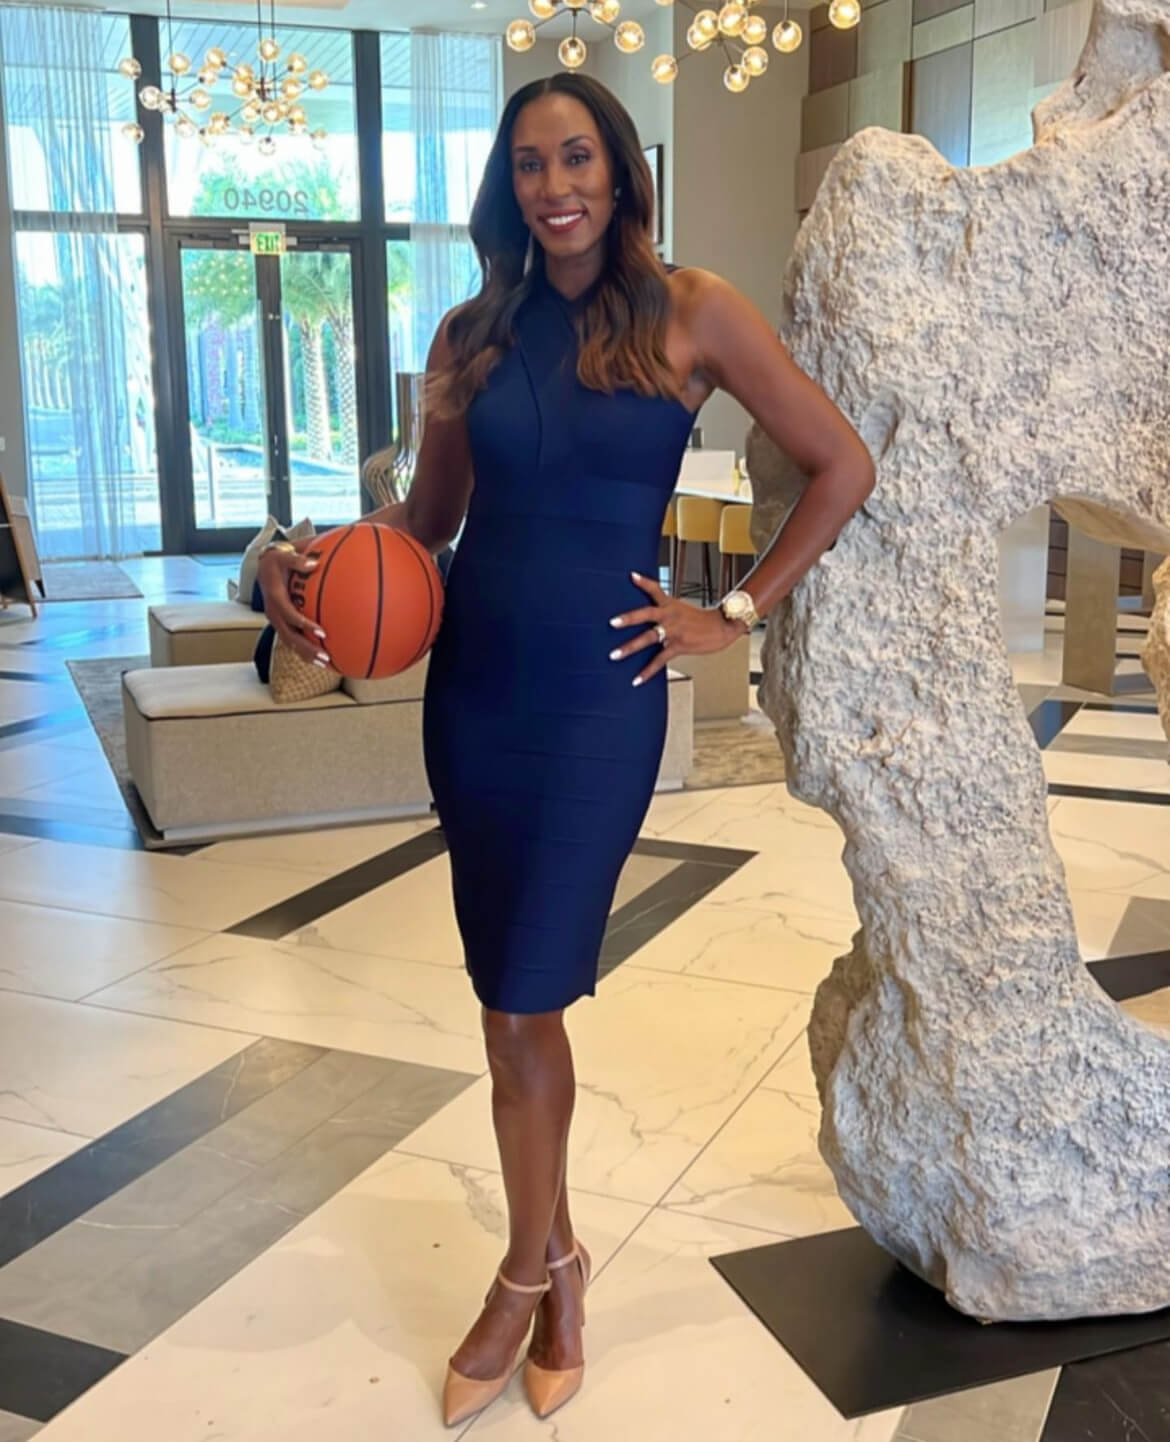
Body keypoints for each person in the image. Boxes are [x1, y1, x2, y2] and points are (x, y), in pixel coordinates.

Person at [258, 72, 874, 1427]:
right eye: (531, 164)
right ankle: (560, 1262)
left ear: (619, 169)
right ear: (507, 184)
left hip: (600, 700)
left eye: (577, 157)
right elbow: (423, 523)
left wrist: (733, 612)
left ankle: (523, 1277)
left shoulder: (693, 310)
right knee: (504, 1001)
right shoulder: (470, 331)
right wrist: (283, 556)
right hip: (475, 691)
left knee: (526, 997)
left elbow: (840, 464)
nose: (555, 187)